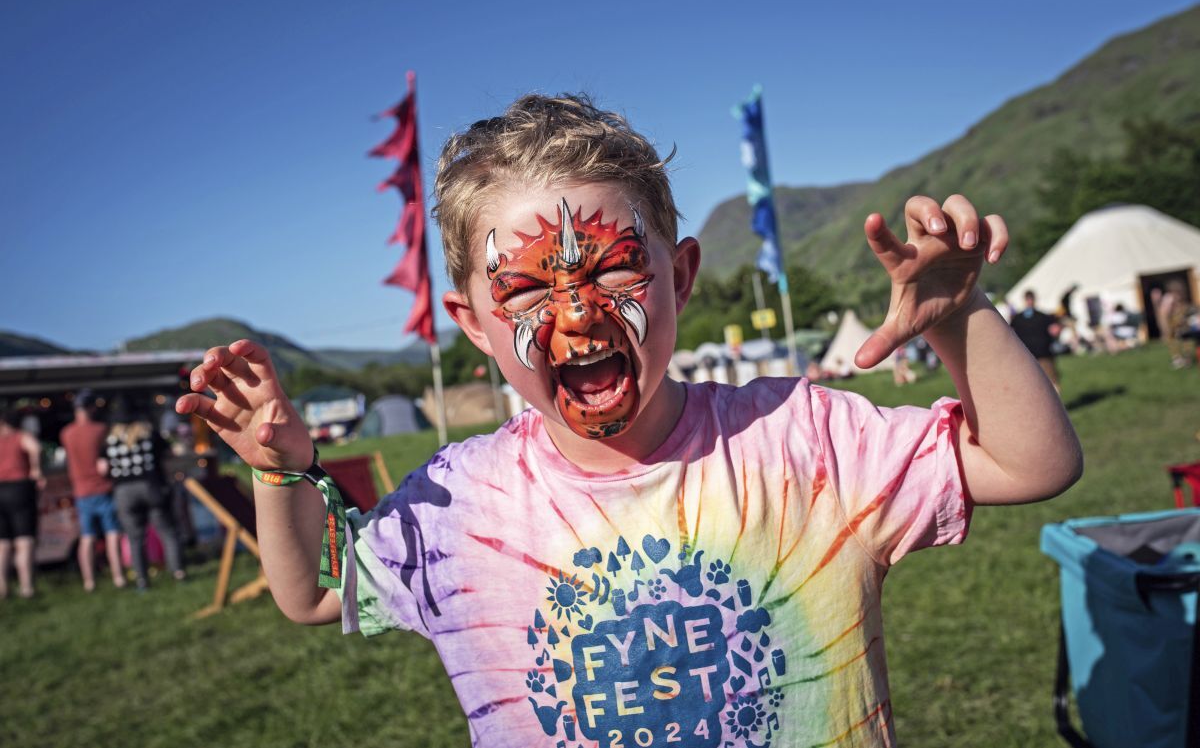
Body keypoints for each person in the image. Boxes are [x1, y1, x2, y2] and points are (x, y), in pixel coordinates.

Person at [177, 94, 1083, 747]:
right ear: (473, 325)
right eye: (526, 287)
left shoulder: (803, 442)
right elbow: (309, 594)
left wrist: (964, 313)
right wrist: (280, 469)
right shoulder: (459, 505)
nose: (578, 318)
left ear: (681, 276)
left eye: (614, 270)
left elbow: (1032, 462)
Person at [106, 406, 186, 590]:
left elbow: (102, 467)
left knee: (135, 538)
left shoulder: (110, 440)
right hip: (150, 486)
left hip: (124, 491)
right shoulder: (149, 434)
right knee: (167, 531)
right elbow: (171, 452)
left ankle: (142, 580)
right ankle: (178, 572)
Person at [60, 389, 126, 591]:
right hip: (102, 488)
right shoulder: (100, 429)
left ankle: (89, 582)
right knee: (112, 535)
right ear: (90, 408)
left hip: (81, 491)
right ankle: (118, 577)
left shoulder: (66, 433)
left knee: (87, 537)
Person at [0, 408, 43, 598]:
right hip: (19, 489)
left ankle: (2, 587)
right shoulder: (20, 436)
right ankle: (26, 587)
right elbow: (36, 448)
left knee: (2, 542)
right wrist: (36, 469)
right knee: (24, 540)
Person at [1011, 290, 1062, 393]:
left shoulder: (1044, 317)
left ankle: (1057, 406)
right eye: (1028, 299)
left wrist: (1057, 331)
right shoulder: (1017, 319)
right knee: (1031, 383)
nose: (1030, 301)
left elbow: (1056, 329)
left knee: (1052, 380)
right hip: (1026, 355)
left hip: (1044, 353)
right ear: (1024, 300)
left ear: (1034, 299)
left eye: (1031, 299)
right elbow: (1011, 333)